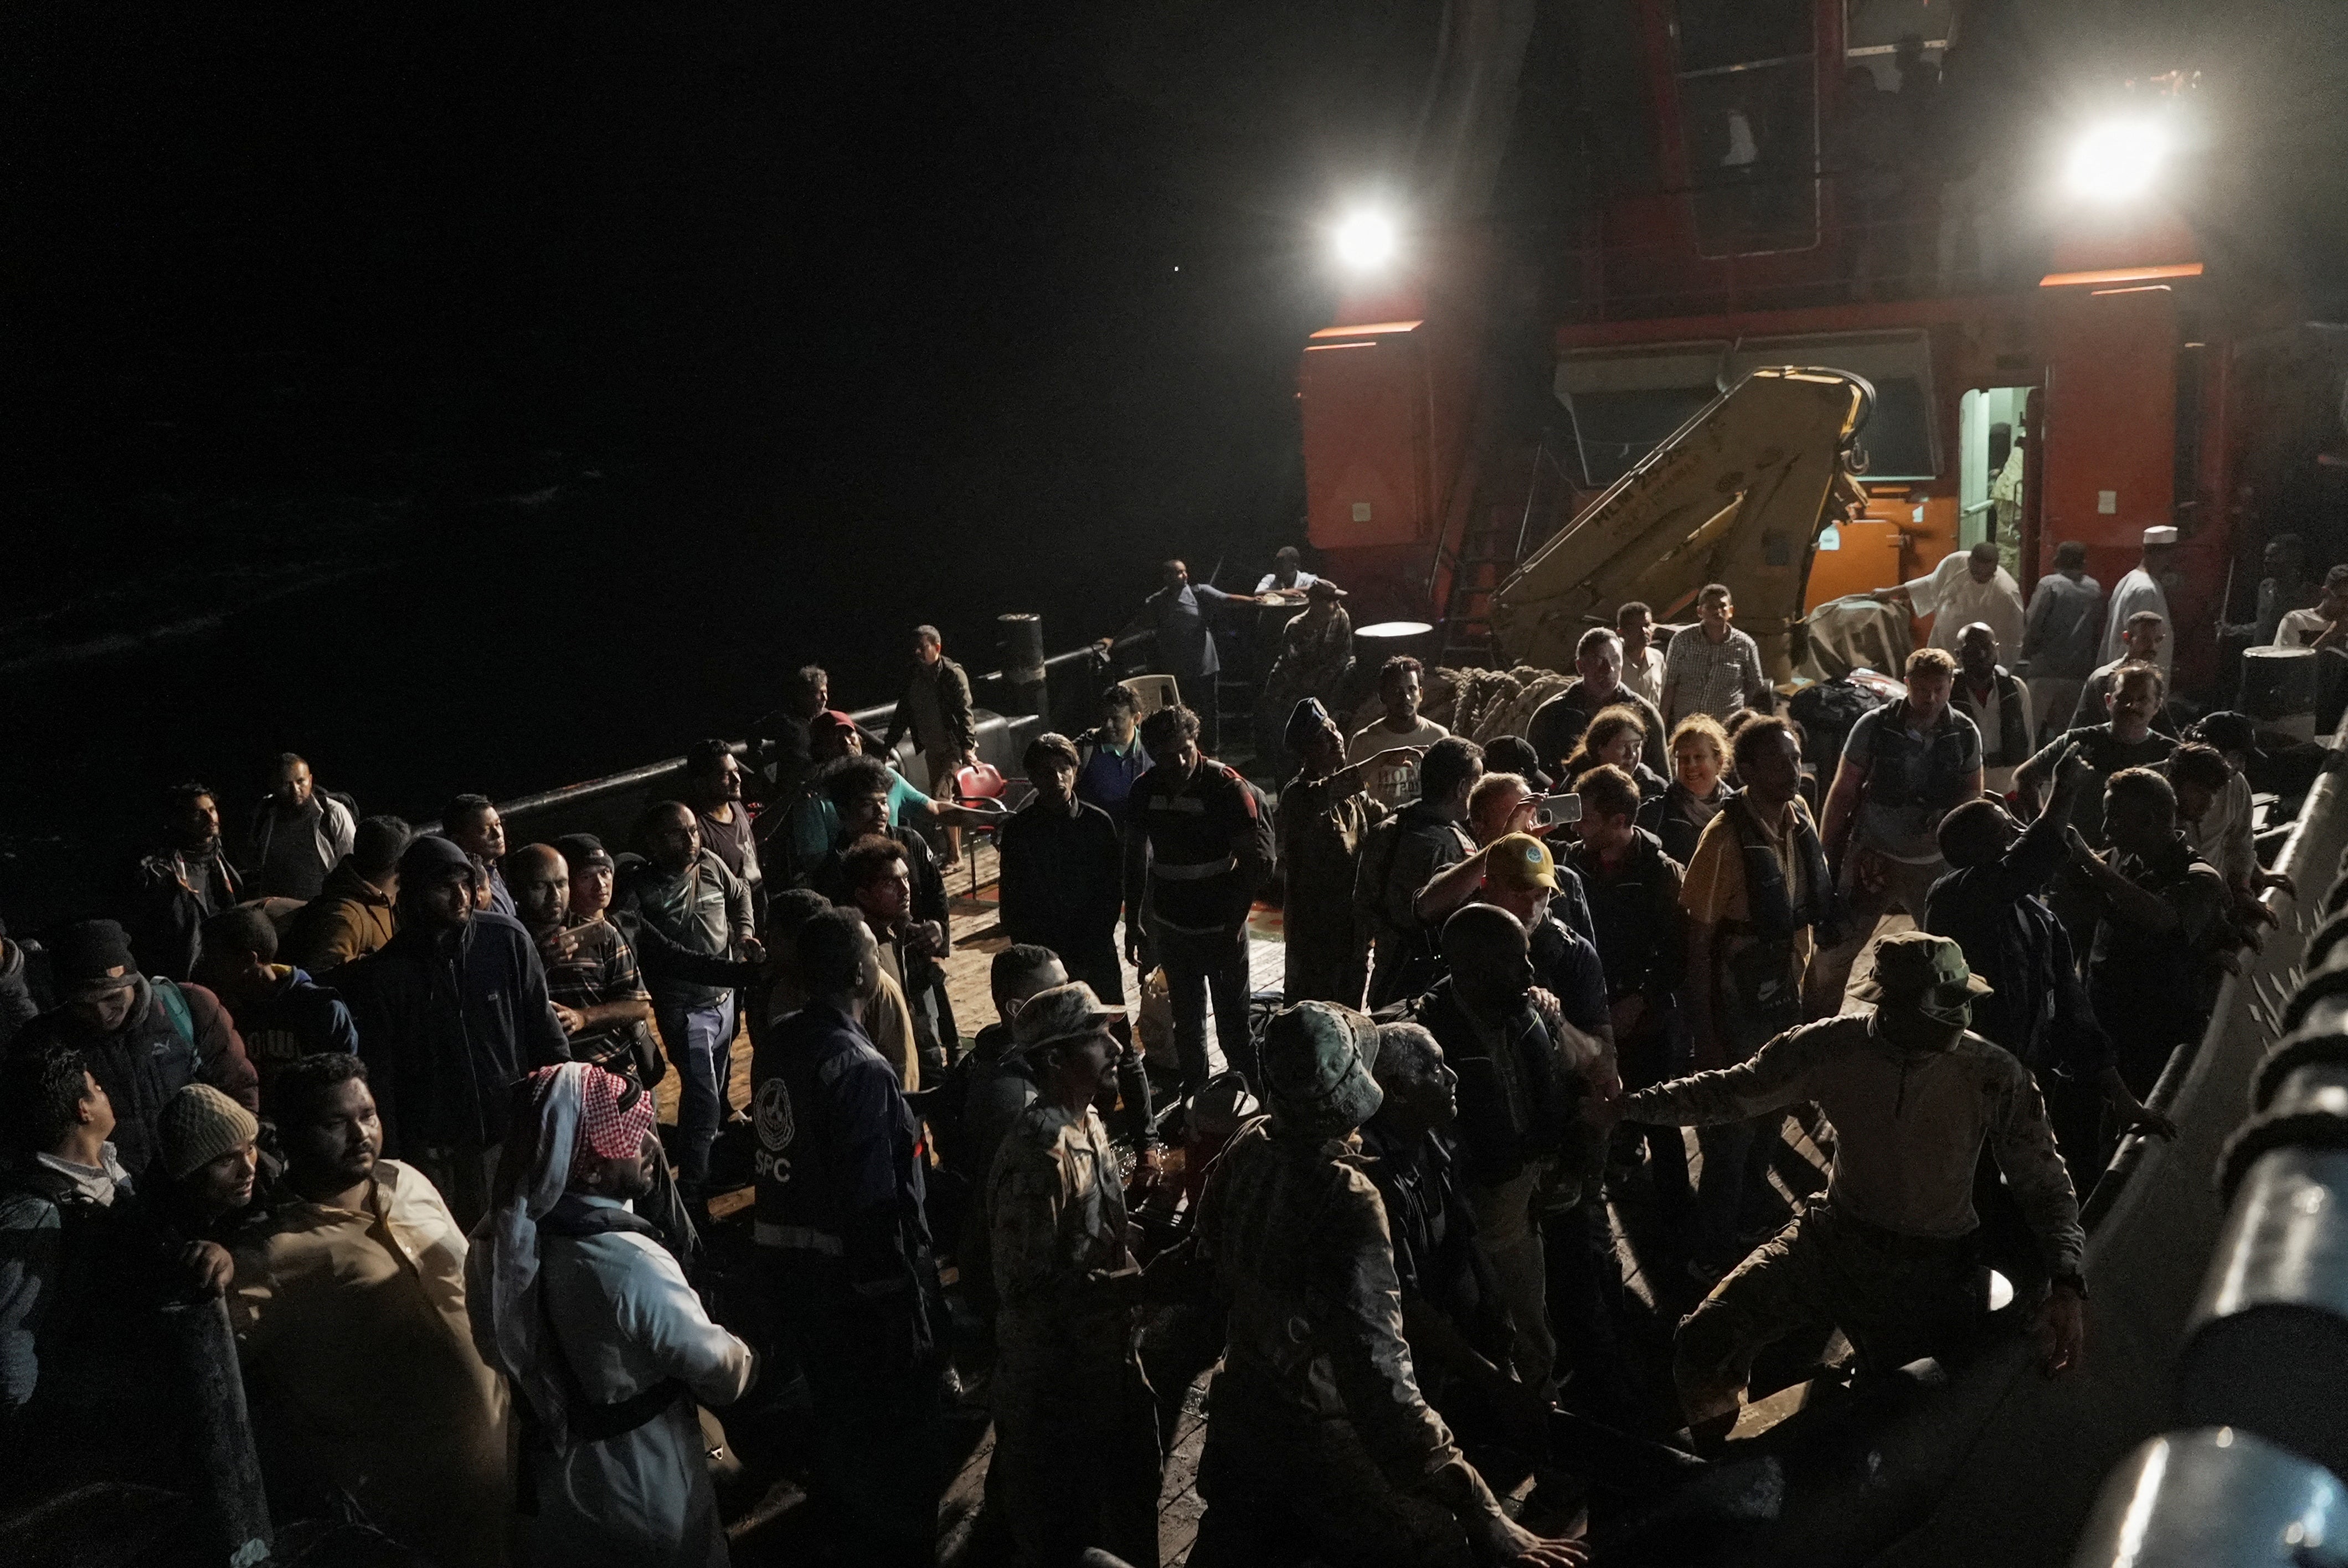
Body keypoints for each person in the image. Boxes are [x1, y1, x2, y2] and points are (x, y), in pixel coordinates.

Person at [1593, 932, 2086, 1446]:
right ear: (1891, 1005)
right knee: (1706, 1340)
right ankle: (1724, 1462)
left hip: (1933, 1266)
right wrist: (1627, 1107)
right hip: (1832, 1237)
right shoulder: (1830, 1047)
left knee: (1899, 1420)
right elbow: (1729, 1092)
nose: (1960, 1021)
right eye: (1945, 1003)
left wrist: (2068, 1279)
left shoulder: (1993, 1073)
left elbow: (2043, 1176)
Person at [1186, 1000, 1585, 1568]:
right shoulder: (1345, 1199)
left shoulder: (1251, 1143)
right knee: (1436, 1544)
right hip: (1315, 1432)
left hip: (1241, 1411)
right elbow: (1380, 1375)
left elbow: (1200, 1260)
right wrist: (1482, 1510)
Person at [468, 1062, 756, 1568]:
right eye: (628, 1136)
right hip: (645, 1488)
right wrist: (753, 1357)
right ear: (588, 1167)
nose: (649, 1143)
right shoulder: (625, 1262)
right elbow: (720, 1371)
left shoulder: (496, 1246)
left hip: (554, 1489)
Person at [231, 1053, 511, 1567]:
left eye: (368, 1115)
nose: (360, 1134)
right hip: (416, 1515)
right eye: (334, 1123)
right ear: (290, 1136)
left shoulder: (409, 1182)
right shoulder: (268, 1256)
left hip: (517, 1468)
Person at [750, 908, 945, 1567]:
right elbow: (872, 1201)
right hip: (858, 1289)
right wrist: (900, 1296)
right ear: (863, 971)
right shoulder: (860, 1067)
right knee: (891, 1425)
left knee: (834, 1411)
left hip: (793, 1274)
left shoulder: (779, 1044)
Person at [986, 982, 1163, 1568]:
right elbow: (1027, 1290)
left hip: (1104, 1363)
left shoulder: (1084, 1125)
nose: (1115, 1048)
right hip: (1058, 1387)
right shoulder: (1039, 1156)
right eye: (1097, 1038)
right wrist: (1136, 1284)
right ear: (1057, 1059)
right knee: (1070, 1530)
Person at [0, 1047, 228, 1502]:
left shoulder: (114, 1171)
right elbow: (12, 1334)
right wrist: (24, 1435)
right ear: (83, 1109)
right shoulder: (35, 1213)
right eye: (98, 1088)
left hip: (138, 1399)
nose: (107, 1095)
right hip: (87, 1424)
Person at [1928, 768, 2174, 1179]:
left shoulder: (2041, 921)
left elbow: (2075, 1014)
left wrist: (2122, 1098)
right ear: (1981, 850)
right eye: (2008, 831)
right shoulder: (1954, 897)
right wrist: (2062, 793)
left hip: (2026, 1081)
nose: (2018, 835)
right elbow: (2028, 860)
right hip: (1963, 1082)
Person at [338, 834, 571, 1229]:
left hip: (512, 1137)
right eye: (444, 886)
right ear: (414, 892)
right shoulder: (386, 975)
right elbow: (383, 1076)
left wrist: (563, 1113)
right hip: (437, 1154)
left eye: (465, 883)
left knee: (529, 1240)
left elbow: (545, 1035)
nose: (460, 895)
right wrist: (394, 1165)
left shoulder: (507, 941)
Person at [1408, 904, 1593, 1396]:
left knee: (1546, 1287)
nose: (1530, 972)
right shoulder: (1431, 1040)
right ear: (1471, 968)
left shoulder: (1523, 1007)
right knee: (1511, 1305)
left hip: (1538, 1176)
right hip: (1488, 1196)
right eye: (1516, 962)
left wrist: (1556, 1018)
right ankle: (1532, 1394)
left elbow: (1580, 1060)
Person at [1678, 716, 1833, 1280]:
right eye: (1781, 762)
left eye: (1796, 758)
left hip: (1784, 999)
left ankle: (1747, 1219)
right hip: (1736, 1004)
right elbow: (1696, 942)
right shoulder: (1722, 839)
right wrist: (1707, 1034)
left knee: (1771, 1117)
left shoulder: (1798, 820)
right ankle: (1708, 1253)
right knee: (1730, 1136)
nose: (1795, 770)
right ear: (1745, 771)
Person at [11, 918, 258, 1178]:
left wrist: (234, 1163)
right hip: (108, 1199)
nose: (103, 1013)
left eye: (112, 997)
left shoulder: (190, 1008)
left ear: (132, 979)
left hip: (197, 1187)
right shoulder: (45, 1042)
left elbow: (239, 1088)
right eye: (84, 1005)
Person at [1813, 647, 1983, 1011]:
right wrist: (1826, 854)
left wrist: (1950, 816)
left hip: (1935, 864)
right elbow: (1843, 790)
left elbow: (1973, 792)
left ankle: (1939, 1027)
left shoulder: (1965, 732)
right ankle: (1812, 1026)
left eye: (1939, 688)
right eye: (1922, 689)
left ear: (1951, 686)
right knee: (1834, 952)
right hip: (1874, 857)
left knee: (1947, 959)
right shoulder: (1874, 726)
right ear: (1907, 684)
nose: (1931, 697)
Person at [1123, 703, 1271, 1091]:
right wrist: (1135, 923)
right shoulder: (1144, 791)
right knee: (1186, 1026)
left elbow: (1251, 866)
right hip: (1173, 931)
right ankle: (1196, 1102)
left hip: (1222, 929)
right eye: (1165, 756)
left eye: (1184, 750)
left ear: (1196, 741)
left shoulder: (1227, 788)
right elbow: (1135, 859)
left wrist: (1234, 927)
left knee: (1234, 1028)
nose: (1178, 762)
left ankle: (1253, 1101)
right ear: (1151, 755)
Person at [1566, 764, 1690, 1211]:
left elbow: (1680, 952)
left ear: (1620, 821)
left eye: (1586, 818)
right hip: (1590, 1016)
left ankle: (1676, 1213)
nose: (1577, 826)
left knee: (1659, 1114)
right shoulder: (1573, 864)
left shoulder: (1661, 874)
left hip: (1644, 1020)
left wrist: (1642, 1000)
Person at [621, 802, 758, 1193]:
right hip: (685, 1009)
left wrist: (743, 932)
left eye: (694, 831)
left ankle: (707, 1161)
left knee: (714, 1089)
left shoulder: (711, 865)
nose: (690, 840)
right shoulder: (641, 889)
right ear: (652, 841)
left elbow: (741, 891)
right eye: (677, 834)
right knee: (703, 1101)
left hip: (726, 998)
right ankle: (695, 1189)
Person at [2070, 768, 2229, 1096]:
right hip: (2106, 1029)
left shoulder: (2200, 878)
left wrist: (2087, 860)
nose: (2105, 830)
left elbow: (2161, 917)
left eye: (2114, 819)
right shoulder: (2123, 861)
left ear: (2149, 819)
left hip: (2152, 1039)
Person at [1278, 697, 1419, 1005]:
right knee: (1312, 1013)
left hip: (1352, 928)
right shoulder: (1300, 795)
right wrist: (1381, 760)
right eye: (1322, 739)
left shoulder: (1353, 800)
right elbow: (1332, 790)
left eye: (1333, 730)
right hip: (1316, 933)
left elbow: (1388, 818)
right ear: (1307, 753)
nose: (1335, 739)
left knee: (1350, 1007)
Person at [998, 731, 1126, 1003]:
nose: (1057, 779)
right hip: (1043, 954)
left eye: (1063, 769)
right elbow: (1012, 895)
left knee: (1109, 1025)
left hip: (1094, 948)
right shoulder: (1018, 832)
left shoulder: (1099, 824)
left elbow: (1112, 891)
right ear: (1032, 778)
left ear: (1075, 772)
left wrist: (1096, 936)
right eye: (1046, 772)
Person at [1096, 559, 1274, 755]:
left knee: (1209, 709)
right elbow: (1138, 625)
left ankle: (1212, 750)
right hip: (1178, 666)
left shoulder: (1200, 592)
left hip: (1204, 662)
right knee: (1181, 710)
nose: (1184, 576)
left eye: (1185, 572)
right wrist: (1116, 641)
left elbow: (1226, 599)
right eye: (1179, 573)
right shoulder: (1157, 602)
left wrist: (1252, 601)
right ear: (1167, 577)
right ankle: (1185, 749)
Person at [1358, 736, 1484, 1009]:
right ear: (1462, 787)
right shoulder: (1450, 845)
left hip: (1385, 979)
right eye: (1477, 783)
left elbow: (1363, 904)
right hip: (1428, 988)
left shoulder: (1386, 829)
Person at [511, 843, 658, 1076]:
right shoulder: (508, 943)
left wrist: (583, 1018)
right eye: (540, 886)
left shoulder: (598, 934)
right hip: (550, 1085)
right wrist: (539, 962)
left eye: (561, 884)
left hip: (614, 1076)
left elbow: (638, 1005)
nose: (555, 896)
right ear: (516, 890)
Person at [1473, 834, 1615, 1056]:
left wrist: (1554, 1020)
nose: (1531, 910)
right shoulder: (1465, 942)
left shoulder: (1575, 954)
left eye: (1541, 895)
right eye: (1518, 894)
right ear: (1486, 886)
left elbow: (1608, 1069)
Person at [190, 905, 359, 1086]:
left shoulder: (321, 1008)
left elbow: (347, 1083)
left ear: (249, 960)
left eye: (216, 960)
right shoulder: (225, 1011)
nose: (208, 968)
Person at [833, 833, 956, 1079]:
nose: (905, 890)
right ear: (863, 895)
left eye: (906, 878)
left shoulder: (904, 932)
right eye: (891, 883)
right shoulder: (858, 953)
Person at [117, 781, 243, 981]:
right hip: (184, 973)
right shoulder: (161, 873)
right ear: (181, 821)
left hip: (223, 960)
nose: (210, 818)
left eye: (212, 810)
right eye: (198, 813)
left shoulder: (218, 857)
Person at [884, 625, 979, 868]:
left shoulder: (952, 674)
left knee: (940, 798)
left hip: (952, 748)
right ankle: (954, 852)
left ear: (937, 648)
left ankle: (955, 856)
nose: (917, 652)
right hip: (931, 748)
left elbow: (964, 712)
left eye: (922, 647)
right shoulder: (913, 676)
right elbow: (902, 714)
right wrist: (886, 745)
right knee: (943, 800)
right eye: (914, 648)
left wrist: (968, 747)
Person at [1527, 627, 1669, 778]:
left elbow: (1663, 778)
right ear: (1580, 666)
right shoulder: (1552, 715)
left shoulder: (1644, 713)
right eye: (1599, 660)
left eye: (1615, 659)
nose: (1609, 669)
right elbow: (1535, 777)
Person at [284, 813, 411, 973]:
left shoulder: (389, 899)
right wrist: (375, 965)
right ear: (400, 865)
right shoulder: (346, 917)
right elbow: (321, 977)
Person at [1256, 577, 1355, 775]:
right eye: (1330, 600)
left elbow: (1344, 655)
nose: (1336, 604)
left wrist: (1328, 685)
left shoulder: (1340, 617)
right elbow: (1292, 669)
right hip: (1287, 693)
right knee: (1288, 749)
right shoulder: (1296, 627)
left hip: (1322, 686)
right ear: (1316, 602)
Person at [148, 1081, 269, 1244]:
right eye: (227, 1160)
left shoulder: (275, 1191)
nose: (248, 1170)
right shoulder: (159, 1239)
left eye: (250, 1148)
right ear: (188, 1173)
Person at [2022, 540, 2105, 745]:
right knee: (2066, 735)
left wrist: (2026, 654)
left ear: (2057, 560)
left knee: (2029, 731)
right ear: (2084, 563)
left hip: (2045, 671)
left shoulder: (2049, 584)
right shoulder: (2094, 588)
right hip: (2078, 673)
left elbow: (2033, 624)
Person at [246, 752, 358, 901]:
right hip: (277, 912)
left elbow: (354, 865)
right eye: (286, 784)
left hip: (322, 909)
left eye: (301, 781)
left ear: (310, 780)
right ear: (274, 785)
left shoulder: (333, 813)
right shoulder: (265, 816)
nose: (295, 790)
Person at [1878, 540, 2025, 653]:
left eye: (1985, 575)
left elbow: (2011, 641)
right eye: (1975, 572)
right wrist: (1888, 593)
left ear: (1995, 568)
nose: (1979, 577)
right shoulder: (1955, 563)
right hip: (1940, 643)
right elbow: (1929, 584)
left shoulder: (2007, 593)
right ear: (1969, 562)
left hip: (1976, 658)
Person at [1660, 582, 1771, 729]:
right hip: (1686, 726)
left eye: (1722, 606)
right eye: (1711, 607)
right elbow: (1670, 684)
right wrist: (1661, 726)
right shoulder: (1682, 640)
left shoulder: (1746, 645)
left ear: (1730, 611)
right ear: (1700, 611)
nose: (1718, 611)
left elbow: (1756, 687)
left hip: (1726, 728)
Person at [1347, 654, 1451, 808]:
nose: (1406, 697)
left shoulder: (1438, 737)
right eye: (1397, 691)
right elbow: (1348, 795)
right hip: (1380, 828)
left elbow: (1448, 792)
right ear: (1382, 696)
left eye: (1412, 689)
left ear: (1421, 694)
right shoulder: (1364, 741)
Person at [1951, 621, 2034, 791]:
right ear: (1958, 655)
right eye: (1972, 649)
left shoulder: (2016, 689)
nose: (1981, 655)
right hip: (1964, 789)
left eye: (1987, 647)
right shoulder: (1948, 693)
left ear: (1997, 649)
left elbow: (2029, 747)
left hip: (2009, 788)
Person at [2068, 611, 2176, 733]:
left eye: (2158, 640)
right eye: (2145, 639)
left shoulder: (2149, 679)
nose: (2153, 647)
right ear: (2128, 638)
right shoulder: (2108, 678)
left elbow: (2164, 728)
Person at [682, 739, 763, 899]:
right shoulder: (698, 832)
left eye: (736, 771)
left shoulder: (734, 805)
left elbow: (752, 833)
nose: (737, 780)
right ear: (701, 783)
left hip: (759, 909)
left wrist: (790, 798)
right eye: (727, 775)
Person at [2102, 524, 2178, 680]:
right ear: (2169, 555)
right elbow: (2137, 643)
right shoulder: (2147, 590)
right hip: (2137, 681)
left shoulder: (2129, 579)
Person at [1558, 704, 1670, 807]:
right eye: (1623, 746)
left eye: (1637, 746)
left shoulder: (1653, 789)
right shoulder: (1575, 788)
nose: (1631, 754)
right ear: (1600, 748)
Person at [1658, 714, 1732, 866]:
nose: (1691, 765)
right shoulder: (1659, 811)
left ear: (1719, 763)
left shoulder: (1737, 809)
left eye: (1699, 757)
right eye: (1683, 759)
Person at [750, 663, 830, 800]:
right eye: (819, 693)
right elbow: (754, 733)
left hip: (821, 789)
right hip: (793, 795)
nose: (825, 698)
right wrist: (760, 769)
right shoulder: (784, 720)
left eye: (826, 692)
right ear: (805, 696)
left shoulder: (826, 718)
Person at [2222, 533, 2316, 647]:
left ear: (2294, 558)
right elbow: (2265, 625)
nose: (2267, 561)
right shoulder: (2266, 587)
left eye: (2274, 556)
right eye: (2266, 556)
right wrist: (2234, 630)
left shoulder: (2311, 595)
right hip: (2260, 659)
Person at [1076, 684, 1152, 822]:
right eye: (1105, 719)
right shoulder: (1086, 748)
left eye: (1116, 719)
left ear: (1136, 719)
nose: (1108, 725)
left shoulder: (1152, 748)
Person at [445, 793, 517, 917]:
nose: (497, 834)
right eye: (485, 831)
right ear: (458, 841)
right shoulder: (466, 887)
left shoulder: (493, 870)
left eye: (498, 824)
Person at [2270, 561, 2348, 648]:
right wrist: (2331, 635)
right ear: (2325, 592)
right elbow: (2287, 660)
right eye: (2342, 598)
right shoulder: (2296, 620)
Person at [1617, 601, 1667, 708]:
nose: (1644, 631)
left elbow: (1663, 698)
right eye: (1636, 627)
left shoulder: (1658, 658)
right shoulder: (1614, 663)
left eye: (1647, 625)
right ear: (1622, 632)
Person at [1255, 544, 1320, 595]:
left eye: (1281, 563)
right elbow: (1258, 593)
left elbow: (1319, 587)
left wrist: (1294, 591)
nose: (1277, 567)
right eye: (1276, 563)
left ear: (1294, 566)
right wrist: (1286, 592)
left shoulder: (1305, 579)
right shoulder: (1271, 579)